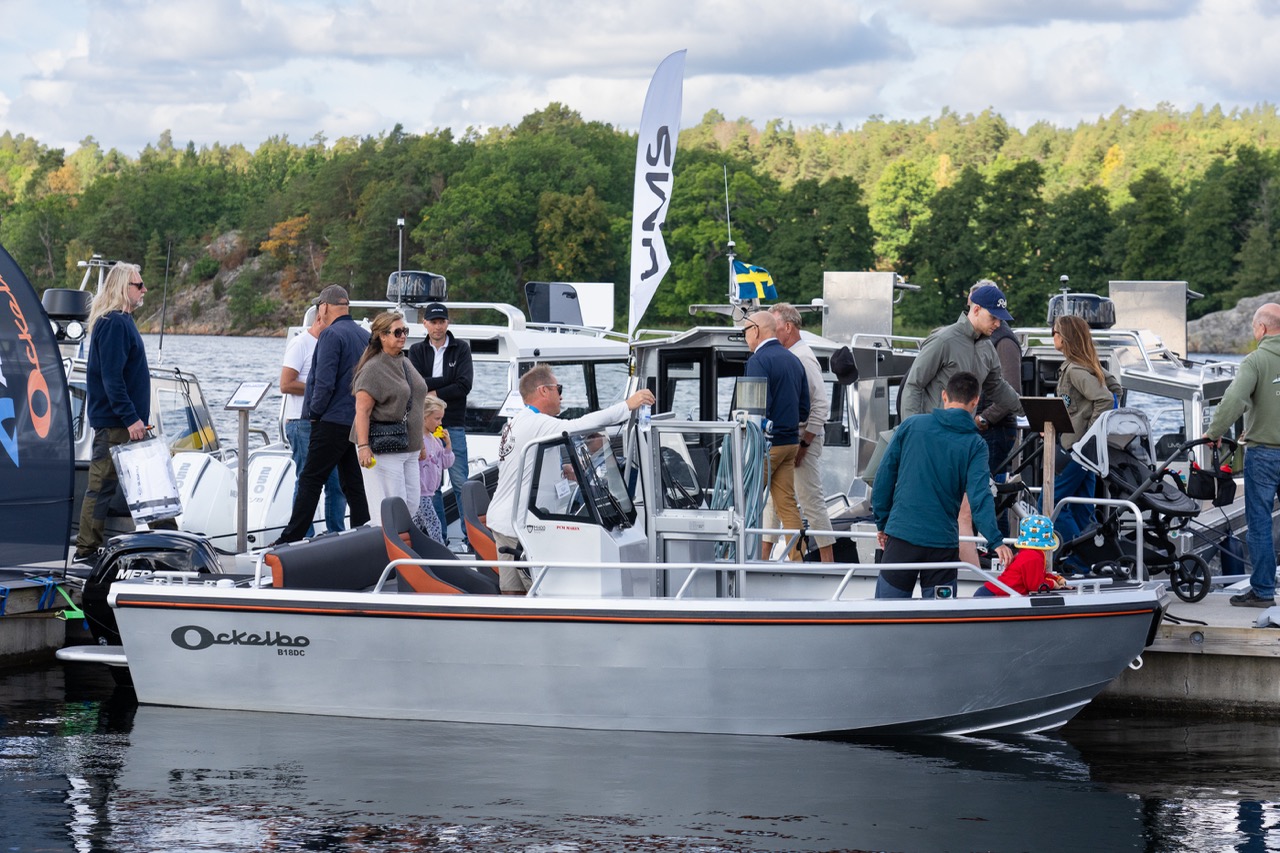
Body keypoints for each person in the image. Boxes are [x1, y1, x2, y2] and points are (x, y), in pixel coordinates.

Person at [488, 364, 654, 594]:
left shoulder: (520, 421)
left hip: (506, 521)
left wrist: (561, 471)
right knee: (539, 592)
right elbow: (578, 426)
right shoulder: (536, 422)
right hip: (518, 526)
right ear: (543, 390)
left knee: (512, 592)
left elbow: (525, 467)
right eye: (559, 389)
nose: (562, 396)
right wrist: (627, 406)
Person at [900, 281, 1022, 566]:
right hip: (931, 442)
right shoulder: (943, 340)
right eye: (993, 317)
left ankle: (961, 574)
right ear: (975, 309)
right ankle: (948, 572)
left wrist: (1033, 411)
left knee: (963, 513)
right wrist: (911, 433)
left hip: (962, 443)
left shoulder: (988, 348)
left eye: (1001, 319)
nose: (998, 324)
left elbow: (998, 387)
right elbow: (913, 385)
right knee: (946, 514)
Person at [873, 372, 1014, 599]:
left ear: (944, 395)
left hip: (902, 537)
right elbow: (980, 496)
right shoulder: (976, 444)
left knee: (887, 612)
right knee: (940, 614)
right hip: (942, 545)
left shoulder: (911, 425)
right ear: (976, 401)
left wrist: (882, 522)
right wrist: (995, 540)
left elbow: (884, 477)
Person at [74, 262, 176, 560]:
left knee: (152, 482)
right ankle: (86, 549)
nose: (144, 289)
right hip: (118, 423)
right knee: (101, 486)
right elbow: (112, 379)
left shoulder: (122, 321)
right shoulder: (114, 323)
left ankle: (170, 544)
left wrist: (135, 419)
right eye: (138, 285)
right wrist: (131, 418)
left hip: (129, 422)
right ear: (122, 287)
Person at [275, 285, 371, 544]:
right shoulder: (365, 336)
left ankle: (291, 538)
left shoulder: (330, 334)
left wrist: (314, 413)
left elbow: (324, 383)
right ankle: (364, 534)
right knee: (353, 484)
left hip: (330, 421)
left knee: (310, 479)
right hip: (356, 422)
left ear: (325, 307)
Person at [1204, 303, 1280, 608]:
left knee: (1260, 523)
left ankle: (1263, 591)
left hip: (1263, 454)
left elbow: (1234, 398)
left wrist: (1214, 432)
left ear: (1262, 328)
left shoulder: (1256, 360)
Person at [1049, 314, 1121, 559]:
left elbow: (1106, 398)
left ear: (1065, 337)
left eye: (1054, 332)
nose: (1053, 336)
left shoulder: (1075, 370)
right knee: (1082, 510)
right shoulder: (1088, 365)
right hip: (1086, 454)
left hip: (1077, 451)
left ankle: (1078, 558)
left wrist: (1089, 434)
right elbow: (1115, 388)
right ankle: (1094, 560)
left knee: (1052, 504)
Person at [768, 302, 835, 561]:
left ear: (788, 327)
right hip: (790, 439)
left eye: (773, 326)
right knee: (773, 502)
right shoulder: (792, 355)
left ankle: (829, 563)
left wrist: (805, 444)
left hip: (802, 440)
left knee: (810, 500)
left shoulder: (803, 357)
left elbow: (820, 405)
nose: (770, 331)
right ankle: (763, 558)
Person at [352, 312, 429, 528]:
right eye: (397, 332)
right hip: (384, 445)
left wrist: (421, 442)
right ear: (382, 336)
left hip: (410, 446)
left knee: (412, 503)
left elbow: (417, 401)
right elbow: (362, 411)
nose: (403, 335)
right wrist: (363, 447)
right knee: (391, 506)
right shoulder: (372, 369)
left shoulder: (404, 361)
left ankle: (399, 541)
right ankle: (386, 542)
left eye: (405, 331)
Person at [744, 310, 810, 560]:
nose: (744, 338)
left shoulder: (758, 361)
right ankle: (799, 560)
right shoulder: (794, 360)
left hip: (767, 447)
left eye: (744, 332)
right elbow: (804, 409)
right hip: (790, 443)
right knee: (787, 505)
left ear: (756, 330)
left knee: (743, 499)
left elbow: (753, 411)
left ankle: (734, 558)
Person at [280, 299, 346, 536]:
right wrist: (320, 387)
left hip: (327, 423)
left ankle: (336, 532)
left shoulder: (332, 344)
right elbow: (286, 384)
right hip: (301, 422)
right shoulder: (300, 344)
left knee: (336, 482)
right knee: (307, 480)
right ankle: (302, 535)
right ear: (320, 317)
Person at [407, 302, 473, 539]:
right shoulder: (416, 350)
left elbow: (464, 385)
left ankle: (470, 538)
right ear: (424, 323)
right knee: (430, 485)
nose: (438, 326)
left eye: (441, 321)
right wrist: (447, 381)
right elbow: (414, 384)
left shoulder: (461, 349)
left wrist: (432, 391)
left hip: (452, 422)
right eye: (433, 322)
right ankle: (438, 537)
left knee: (460, 482)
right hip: (423, 425)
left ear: (448, 322)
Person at [974, 514, 1066, 597]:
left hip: (991, 592)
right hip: (992, 595)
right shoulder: (1033, 557)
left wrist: (1057, 579)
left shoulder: (1027, 553)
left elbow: (1039, 575)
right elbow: (1035, 585)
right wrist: (1053, 584)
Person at [414, 397, 454, 544]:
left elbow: (446, 463)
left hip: (430, 492)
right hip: (420, 492)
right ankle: (441, 552)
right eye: (437, 419)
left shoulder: (435, 440)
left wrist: (448, 445)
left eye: (441, 419)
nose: (440, 423)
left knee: (417, 525)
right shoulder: (417, 440)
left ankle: (411, 549)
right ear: (424, 417)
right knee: (434, 523)